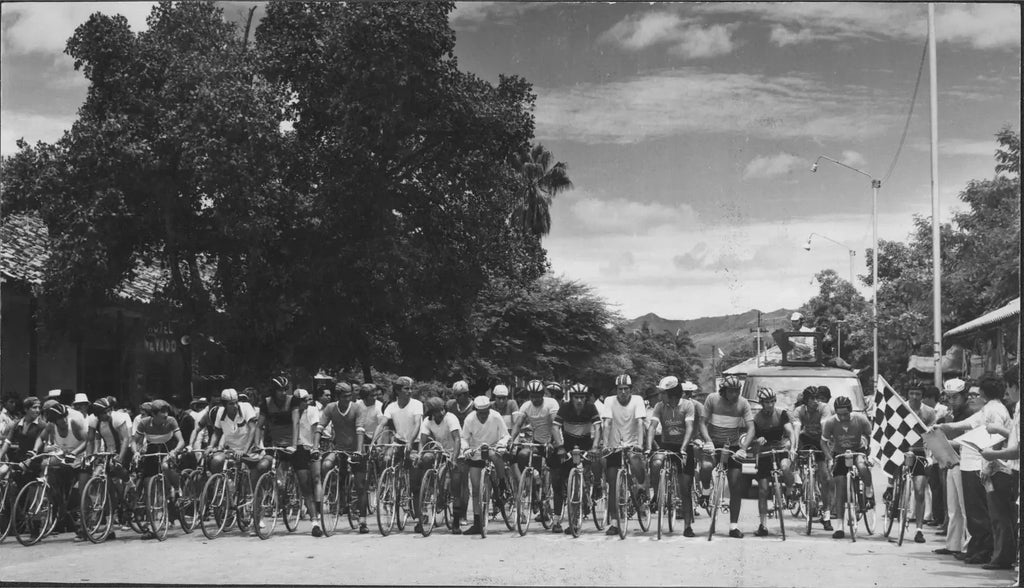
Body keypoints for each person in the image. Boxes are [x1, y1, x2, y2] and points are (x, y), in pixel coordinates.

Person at [937, 377, 1012, 567]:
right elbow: (969, 424)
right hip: (978, 466)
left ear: (984, 393)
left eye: (977, 393)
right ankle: (980, 550)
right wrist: (944, 427)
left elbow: (995, 438)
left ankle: (987, 552)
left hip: (989, 467)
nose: (974, 397)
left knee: (985, 513)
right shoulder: (988, 409)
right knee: (975, 511)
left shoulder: (995, 410)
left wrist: (987, 465)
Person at [700, 375, 755, 538]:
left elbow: (751, 428)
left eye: (737, 391)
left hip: (733, 446)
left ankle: (733, 526)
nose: (735, 394)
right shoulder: (712, 399)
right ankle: (705, 490)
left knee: (735, 484)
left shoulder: (743, 403)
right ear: (723, 391)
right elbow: (702, 422)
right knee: (706, 467)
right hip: (714, 443)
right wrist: (708, 441)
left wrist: (744, 448)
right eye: (732, 391)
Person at [646, 376, 696, 536]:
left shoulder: (688, 406)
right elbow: (652, 427)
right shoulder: (660, 406)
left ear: (672, 393)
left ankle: (688, 526)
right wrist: (648, 448)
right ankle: (656, 495)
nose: (659, 395)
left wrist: (683, 448)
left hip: (683, 447)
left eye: (662, 393)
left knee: (685, 487)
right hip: (667, 445)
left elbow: (689, 428)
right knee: (655, 463)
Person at [509, 379, 561, 528]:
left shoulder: (551, 404)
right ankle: (534, 479)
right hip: (537, 442)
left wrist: (552, 442)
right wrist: (512, 440)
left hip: (553, 442)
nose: (535, 399)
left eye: (538, 395)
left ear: (542, 394)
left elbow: (554, 425)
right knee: (523, 455)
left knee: (557, 480)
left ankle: (556, 518)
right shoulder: (526, 406)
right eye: (532, 395)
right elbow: (518, 424)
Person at [551, 383, 601, 534]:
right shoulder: (565, 408)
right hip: (567, 447)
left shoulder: (591, 408)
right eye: (576, 398)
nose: (579, 401)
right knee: (558, 480)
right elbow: (555, 427)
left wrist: (595, 447)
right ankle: (556, 518)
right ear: (571, 398)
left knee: (583, 476)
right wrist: (559, 447)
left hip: (586, 446)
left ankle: (591, 491)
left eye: (582, 398)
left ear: (586, 398)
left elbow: (598, 427)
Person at [821, 395, 873, 539]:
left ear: (850, 410)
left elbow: (871, 436)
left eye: (845, 414)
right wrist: (830, 459)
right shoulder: (830, 422)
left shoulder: (860, 419)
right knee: (840, 487)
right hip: (840, 453)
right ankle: (839, 526)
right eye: (840, 414)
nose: (843, 417)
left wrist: (869, 453)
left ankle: (868, 489)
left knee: (862, 467)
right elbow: (823, 442)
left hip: (858, 450)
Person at [602, 373, 648, 537]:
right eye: (620, 389)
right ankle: (614, 523)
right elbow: (607, 423)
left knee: (637, 467)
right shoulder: (609, 401)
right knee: (612, 482)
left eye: (626, 389)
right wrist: (606, 445)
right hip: (614, 445)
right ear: (616, 390)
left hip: (632, 443)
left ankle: (641, 490)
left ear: (631, 389)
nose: (622, 392)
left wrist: (640, 445)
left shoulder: (637, 400)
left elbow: (641, 422)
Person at [933, 378, 974, 558]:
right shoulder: (951, 414)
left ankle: (968, 547)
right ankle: (953, 545)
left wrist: (946, 443)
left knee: (965, 509)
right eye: (948, 397)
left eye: (955, 397)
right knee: (953, 507)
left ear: (965, 396)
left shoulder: (970, 414)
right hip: (952, 462)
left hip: (965, 462)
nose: (951, 401)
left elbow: (969, 441)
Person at [460, 395, 511, 535]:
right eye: (480, 413)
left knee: (495, 455)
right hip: (476, 452)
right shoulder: (469, 419)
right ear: (476, 411)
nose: (483, 416)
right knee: (476, 489)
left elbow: (505, 434)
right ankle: (477, 522)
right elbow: (464, 438)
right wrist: (466, 449)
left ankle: (502, 484)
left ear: (489, 409)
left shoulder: (496, 416)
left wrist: (501, 444)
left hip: (493, 448)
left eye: (485, 413)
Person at [751, 386, 796, 537]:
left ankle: (790, 491)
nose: (769, 405)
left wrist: (793, 447)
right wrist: (758, 440)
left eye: (771, 401)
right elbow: (752, 439)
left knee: (785, 467)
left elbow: (790, 432)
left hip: (780, 448)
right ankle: (763, 525)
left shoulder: (781, 414)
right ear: (761, 403)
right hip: (765, 453)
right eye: (766, 402)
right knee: (763, 490)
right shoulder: (756, 419)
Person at [418, 396, 466, 533]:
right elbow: (422, 441)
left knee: (456, 484)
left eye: (443, 409)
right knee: (426, 459)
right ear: (432, 413)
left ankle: (456, 522)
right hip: (439, 449)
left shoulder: (451, 418)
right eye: (438, 411)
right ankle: (432, 488)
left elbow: (457, 439)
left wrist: (454, 459)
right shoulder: (427, 422)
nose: (442, 413)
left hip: (455, 450)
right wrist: (420, 454)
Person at [792, 385, 834, 530]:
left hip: (821, 439)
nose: (816, 401)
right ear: (806, 401)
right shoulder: (799, 411)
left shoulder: (824, 408)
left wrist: (826, 450)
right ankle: (797, 476)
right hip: (806, 438)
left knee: (826, 478)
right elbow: (796, 430)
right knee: (792, 448)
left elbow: (825, 428)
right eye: (812, 399)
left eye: (817, 398)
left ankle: (827, 514)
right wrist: (794, 448)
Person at [356, 383, 384, 448]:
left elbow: (381, 427)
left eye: (376, 395)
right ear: (364, 397)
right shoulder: (357, 405)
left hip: (374, 438)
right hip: (358, 437)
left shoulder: (380, 406)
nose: (375, 398)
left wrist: (377, 445)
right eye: (372, 396)